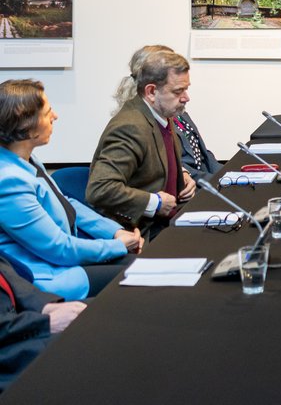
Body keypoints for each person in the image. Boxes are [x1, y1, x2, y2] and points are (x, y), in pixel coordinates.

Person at [0, 80, 142, 300]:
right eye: (47, 113)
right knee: (142, 277)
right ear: (27, 125)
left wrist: (114, 232)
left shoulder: (25, 160)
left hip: (63, 262)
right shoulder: (8, 181)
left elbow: (66, 203)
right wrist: (116, 246)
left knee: (144, 266)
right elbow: (59, 249)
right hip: (48, 277)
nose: (55, 116)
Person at [86, 49, 196, 236]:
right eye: (178, 91)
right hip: (144, 233)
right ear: (151, 92)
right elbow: (100, 189)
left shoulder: (162, 113)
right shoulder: (131, 127)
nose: (186, 97)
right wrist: (155, 203)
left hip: (170, 221)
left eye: (186, 89)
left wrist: (181, 175)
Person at [114, 45, 219, 181]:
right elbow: (172, 166)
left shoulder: (174, 110)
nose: (185, 97)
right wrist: (216, 182)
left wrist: (227, 176)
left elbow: (203, 153)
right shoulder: (142, 122)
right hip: (188, 189)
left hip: (204, 183)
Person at [0, 255, 86, 392]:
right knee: (85, 343)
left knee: (98, 313)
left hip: (18, 322)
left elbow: (6, 274)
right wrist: (46, 323)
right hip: (7, 354)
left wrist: (44, 306)